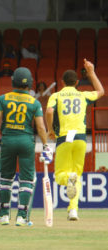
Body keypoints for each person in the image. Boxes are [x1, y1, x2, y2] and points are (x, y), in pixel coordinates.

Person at [0, 67, 52, 226]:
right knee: (27, 179)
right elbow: (41, 128)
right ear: (30, 83)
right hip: (26, 142)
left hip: (8, 141)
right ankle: (22, 216)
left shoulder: (3, 99)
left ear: (13, 81)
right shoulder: (34, 102)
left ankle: (3, 215)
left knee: (5, 178)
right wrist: (46, 146)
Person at [46, 59, 104, 221]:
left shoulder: (56, 95)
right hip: (80, 138)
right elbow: (101, 91)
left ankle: (69, 180)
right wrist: (91, 72)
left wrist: (50, 130)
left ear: (62, 82)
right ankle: (73, 210)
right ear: (77, 82)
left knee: (60, 176)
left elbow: (50, 112)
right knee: (77, 176)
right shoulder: (83, 95)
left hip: (64, 137)